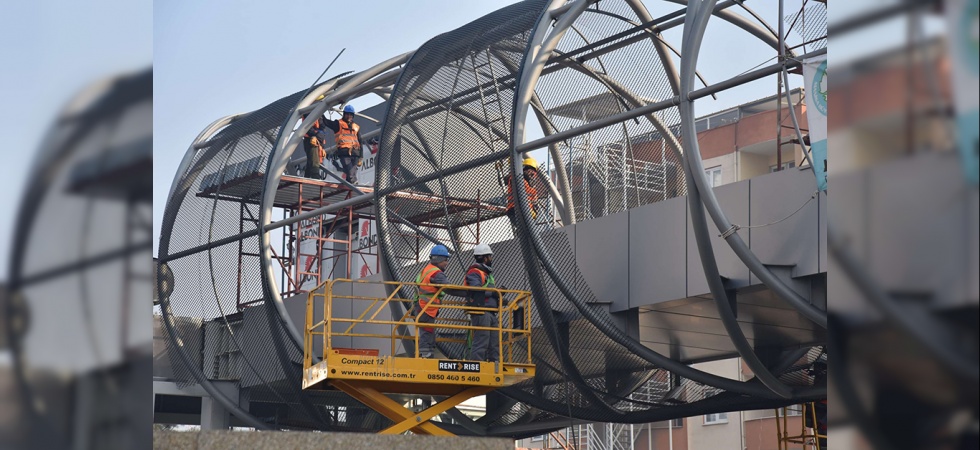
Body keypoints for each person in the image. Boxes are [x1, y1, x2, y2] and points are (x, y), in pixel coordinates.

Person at [414, 244, 467, 358]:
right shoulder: (436, 273)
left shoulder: (426, 270)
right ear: (439, 259)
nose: (447, 263)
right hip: (426, 308)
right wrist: (468, 292)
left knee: (428, 333)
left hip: (421, 306)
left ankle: (426, 355)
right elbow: (449, 289)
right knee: (427, 333)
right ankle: (425, 357)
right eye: (445, 260)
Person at [464, 243, 502, 362]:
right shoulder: (475, 272)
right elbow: (476, 290)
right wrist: (494, 293)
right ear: (485, 258)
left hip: (490, 311)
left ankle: (494, 365)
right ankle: (477, 365)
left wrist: (498, 297)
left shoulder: (486, 274)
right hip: (481, 311)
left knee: (493, 342)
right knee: (482, 340)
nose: (491, 259)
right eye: (490, 257)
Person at [321, 104, 364, 184]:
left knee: (351, 174)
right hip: (344, 153)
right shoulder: (338, 124)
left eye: (351, 114)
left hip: (355, 153)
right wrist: (321, 110)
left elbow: (360, 141)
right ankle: (355, 186)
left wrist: (361, 156)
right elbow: (326, 122)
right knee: (351, 174)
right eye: (347, 114)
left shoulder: (356, 127)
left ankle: (350, 189)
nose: (349, 116)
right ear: (344, 114)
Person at [505, 156, 540, 229]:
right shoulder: (517, 179)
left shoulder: (532, 189)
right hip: (514, 210)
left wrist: (534, 210)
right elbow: (510, 179)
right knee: (524, 230)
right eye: (531, 171)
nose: (533, 175)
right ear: (525, 170)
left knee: (529, 231)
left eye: (534, 173)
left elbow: (535, 203)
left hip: (527, 213)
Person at [301, 113, 330, 179]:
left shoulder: (319, 115)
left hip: (318, 141)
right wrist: (316, 134)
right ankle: (315, 177)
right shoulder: (308, 113)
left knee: (311, 161)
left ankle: (307, 177)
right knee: (314, 161)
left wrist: (322, 147)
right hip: (310, 141)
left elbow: (322, 128)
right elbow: (308, 128)